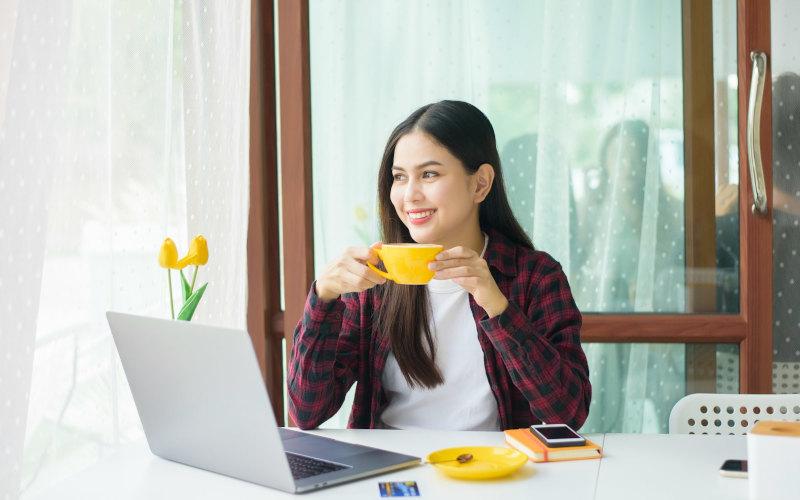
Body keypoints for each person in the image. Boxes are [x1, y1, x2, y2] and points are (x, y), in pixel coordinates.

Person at [288, 100, 591, 431]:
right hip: (391, 473)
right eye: (399, 177)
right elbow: (306, 412)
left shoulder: (535, 277)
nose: (410, 195)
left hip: (491, 475)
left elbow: (568, 413)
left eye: (429, 174)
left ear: (480, 184)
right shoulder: (376, 279)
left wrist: (497, 305)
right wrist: (324, 297)